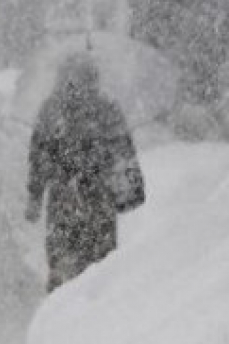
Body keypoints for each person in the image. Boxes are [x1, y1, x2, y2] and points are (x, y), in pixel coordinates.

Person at [26, 53, 143, 292]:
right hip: (99, 200)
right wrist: (131, 191)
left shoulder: (52, 108)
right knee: (100, 267)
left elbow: (38, 157)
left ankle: (59, 311)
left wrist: (35, 196)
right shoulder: (107, 107)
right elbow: (123, 154)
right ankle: (93, 313)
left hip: (63, 199)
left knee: (61, 263)